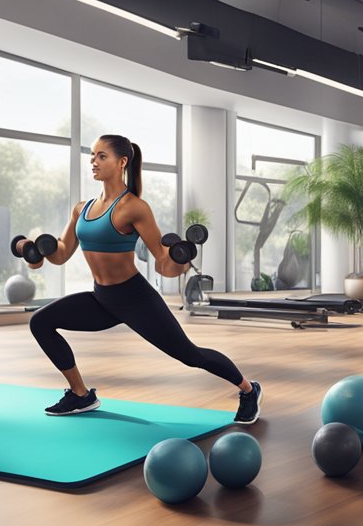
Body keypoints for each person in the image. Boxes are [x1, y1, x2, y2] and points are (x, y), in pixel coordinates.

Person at [19, 134, 261, 422]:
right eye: (92, 156)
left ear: (122, 162)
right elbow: (60, 254)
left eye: (101, 156)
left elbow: (163, 264)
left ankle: (248, 390)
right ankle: (81, 395)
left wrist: (180, 260)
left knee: (190, 355)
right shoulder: (81, 209)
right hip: (102, 298)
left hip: (134, 298)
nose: (93, 162)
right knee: (41, 322)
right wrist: (36, 252)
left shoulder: (133, 207)